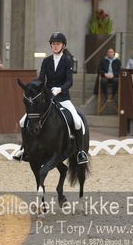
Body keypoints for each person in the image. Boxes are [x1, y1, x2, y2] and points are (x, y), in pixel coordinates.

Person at [13, 32, 88, 165]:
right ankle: (24, 149)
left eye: (57, 44)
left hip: (63, 98)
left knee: (77, 121)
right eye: (53, 44)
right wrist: (32, 86)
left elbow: (69, 81)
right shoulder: (46, 61)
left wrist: (60, 89)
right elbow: (41, 79)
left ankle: (80, 152)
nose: (55, 46)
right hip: (47, 99)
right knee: (22, 121)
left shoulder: (67, 61)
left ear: (63, 45)